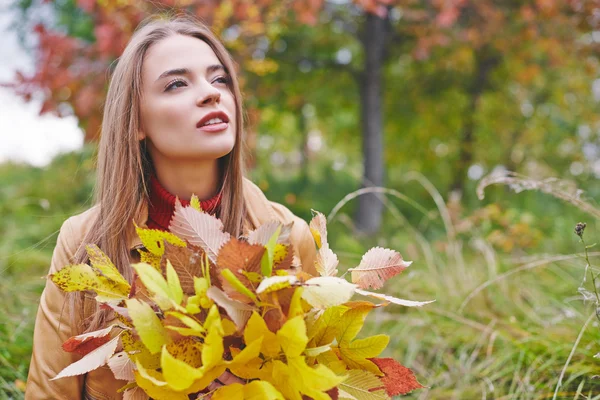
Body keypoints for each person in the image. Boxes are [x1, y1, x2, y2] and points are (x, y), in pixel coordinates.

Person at [25, 15, 317, 400]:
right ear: (135, 121)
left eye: (220, 79)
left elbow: (322, 384)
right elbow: (50, 392)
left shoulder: (288, 237)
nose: (211, 94)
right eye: (177, 83)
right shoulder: (86, 243)